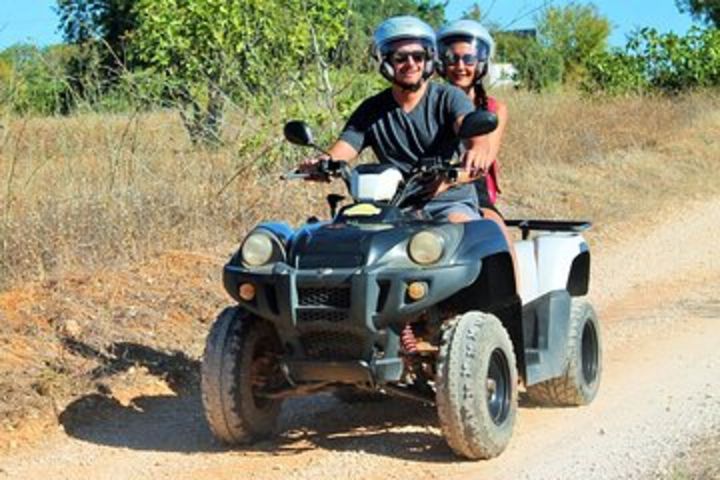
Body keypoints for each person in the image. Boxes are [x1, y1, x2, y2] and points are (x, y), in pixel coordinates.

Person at [300, 16, 491, 223]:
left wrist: (477, 148)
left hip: (447, 202)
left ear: (428, 59)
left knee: (458, 228)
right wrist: (322, 164)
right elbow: (344, 148)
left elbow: (470, 128)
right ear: (386, 62)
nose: (410, 64)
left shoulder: (449, 97)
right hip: (393, 207)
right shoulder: (372, 108)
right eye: (400, 57)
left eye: (418, 56)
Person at [437, 19, 519, 285]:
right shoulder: (429, 102)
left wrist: (448, 181)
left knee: (498, 236)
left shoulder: (493, 108)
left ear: (481, 62)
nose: (460, 66)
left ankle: (513, 308)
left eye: (468, 58)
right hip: (423, 190)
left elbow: (483, 159)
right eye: (452, 58)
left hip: (475, 192)